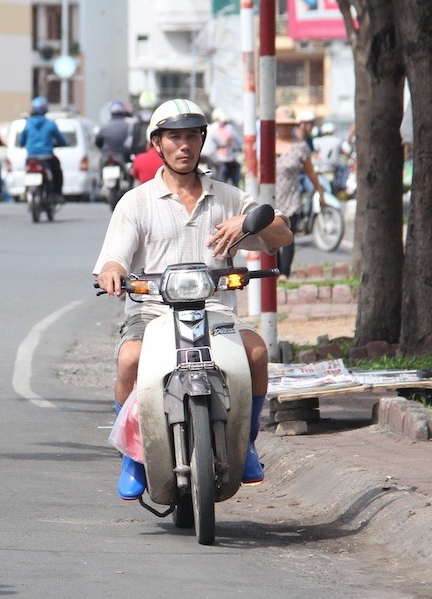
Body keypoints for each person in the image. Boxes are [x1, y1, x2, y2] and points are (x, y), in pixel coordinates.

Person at [93, 98, 293, 500]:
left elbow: (282, 235)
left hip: (215, 310)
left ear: (203, 141)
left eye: (191, 137)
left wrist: (255, 220)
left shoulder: (229, 198)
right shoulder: (135, 202)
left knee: (255, 353)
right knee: (130, 359)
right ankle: (133, 455)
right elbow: (113, 256)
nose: (184, 146)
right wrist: (113, 271)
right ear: (157, 144)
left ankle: (247, 443)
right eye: (174, 137)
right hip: (151, 312)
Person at [274, 105, 326, 276]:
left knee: (287, 236)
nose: (285, 128)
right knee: (271, 237)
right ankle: (274, 271)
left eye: (288, 125)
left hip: (291, 197)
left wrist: (320, 190)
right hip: (271, 196)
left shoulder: (300, 146)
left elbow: (310, 171)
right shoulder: (268, 144)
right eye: (281, 124)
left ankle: (285, 273)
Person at [16, 96, 66, 202]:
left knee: (27, 171)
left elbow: (21, 140)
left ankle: (26, 191)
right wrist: (61, 144)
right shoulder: (50, 124)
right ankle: (57, 193)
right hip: (47, 157)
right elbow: (61, 140)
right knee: (57, 171)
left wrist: (22, 144)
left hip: (31, 156)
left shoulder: (28, 123)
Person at [204, 107, 242, 187]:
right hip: (218, 158)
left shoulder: (211, 127)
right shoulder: (227, 128)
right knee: (234, 169)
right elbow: (236, 142)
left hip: (213, 158)